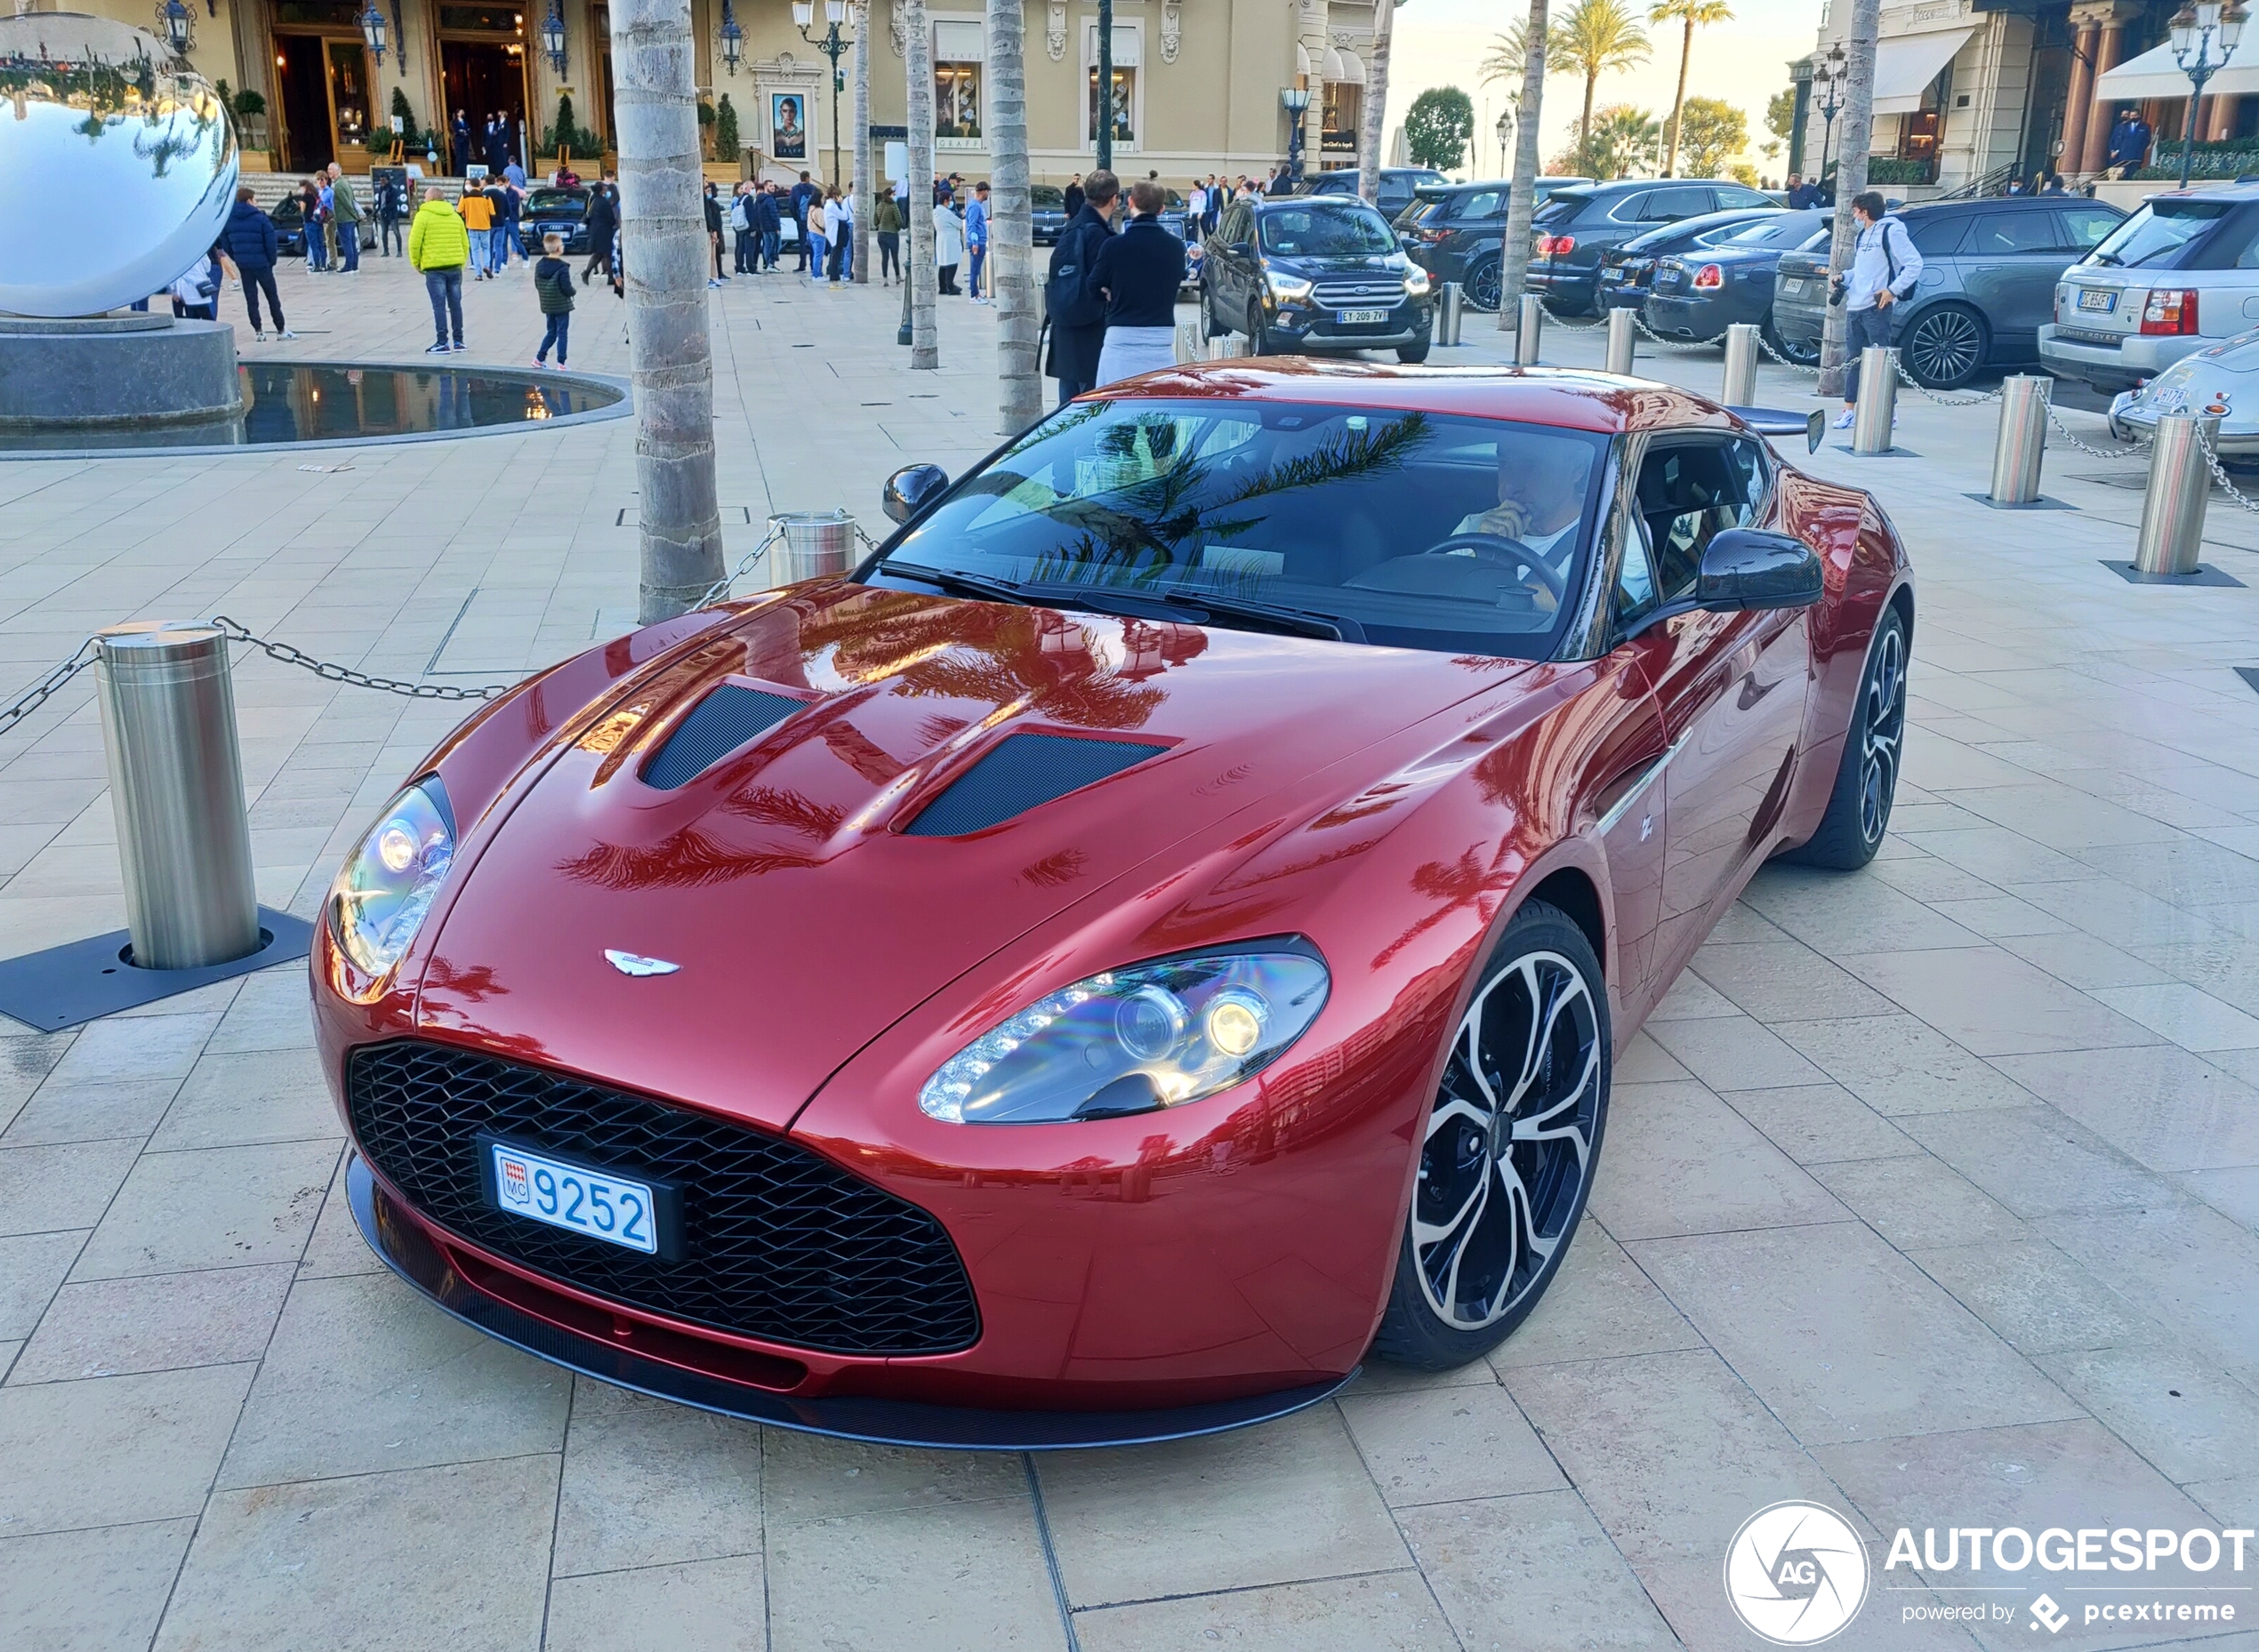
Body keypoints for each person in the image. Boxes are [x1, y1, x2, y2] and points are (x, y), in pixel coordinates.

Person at [1833, 189, 1921, 429]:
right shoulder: (1863, 235)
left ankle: (1888, 410)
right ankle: (1849, 410)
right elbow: (1863, 271)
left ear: (1865, 211)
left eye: (1856, 211)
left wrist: (1892, 290)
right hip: (1855, 305)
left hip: (1876, 307)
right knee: (1853, 361)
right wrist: (1844, 276)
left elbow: (1914, 263)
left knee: (1882, 361)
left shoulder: (1892, 231)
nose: (1854, 215)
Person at [1091, 178, 1186, 386]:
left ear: (1131, 202)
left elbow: (1093, 286)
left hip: (1121, 337)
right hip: (1160, 339)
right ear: (1161, 210)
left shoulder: (1113, 246)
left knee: (1114, 405)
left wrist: (1108, 293)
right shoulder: (1176, 247)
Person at [1044, 167, 1116, 404]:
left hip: (1065, 326)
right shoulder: (1098, 234)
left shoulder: (1073, 227)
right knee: (1091, 406)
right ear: (1114, 200)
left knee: (1067, 407)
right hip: (1091, 328)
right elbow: (1105, 281)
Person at [220, 186, 292, 341]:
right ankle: (281, 330)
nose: (257, 203)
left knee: (251, 298)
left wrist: (237, 257)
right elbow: (271, 242)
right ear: (249, 200)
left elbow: (225, 243)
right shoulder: (260, 219)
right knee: (272, 296)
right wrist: (271, 261)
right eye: (255, 200)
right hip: (262, 264)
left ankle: (258, 331)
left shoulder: (229, 219)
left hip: (244, 265)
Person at [409, 181, 470, 353]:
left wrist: (417, 263)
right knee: (456, 305)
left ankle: (442, 342)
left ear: (430, 198)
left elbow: (414, 242)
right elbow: (465, 242)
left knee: (439, 306)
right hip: (455, 267)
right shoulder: (455, 216)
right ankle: (459, 341)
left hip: (434, 268)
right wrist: (462, 261)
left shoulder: (423, 216)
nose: (424, 199)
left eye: (425, 197)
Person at [532, 231, 575, 368]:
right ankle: (561, 362)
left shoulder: (539, 265)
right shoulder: (562, 267)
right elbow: (566, 287)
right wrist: (573, 292)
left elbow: (537, 284)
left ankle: (539, 358)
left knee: (551, 331)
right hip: (561, 305)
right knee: (562, 333)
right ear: (558, 249)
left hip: (548, 305)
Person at [325, 163, 363, 273]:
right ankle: (354, 265)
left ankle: (349, 265)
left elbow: (346, 203)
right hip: (349, 219)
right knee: (351, 243)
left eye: (331, 169)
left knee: (347, 243)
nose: (329, 172)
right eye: (328, 169)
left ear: (337, 171)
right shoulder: (345, 183)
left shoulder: (339, 185)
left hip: (344, 219)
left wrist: (354, 215)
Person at [583, 174, 617, 285]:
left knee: (603, 254)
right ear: (601, 191)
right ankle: (587, 272)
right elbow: (611, 219)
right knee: (602, 254)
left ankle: (611, 277)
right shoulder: (603, 202)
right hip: (604, 231)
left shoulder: (594, 200)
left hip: (596, 230)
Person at [459, 178, 494, 278]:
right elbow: (492, 212)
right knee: (486, 248)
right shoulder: (486, 197)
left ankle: (478, 274)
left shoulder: (465, 197)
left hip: (472, 226)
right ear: (479, 185)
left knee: (475, 250)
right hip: (485, 226)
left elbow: (459, 209)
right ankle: (487, 266)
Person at [933, 193, 965, 293]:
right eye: (950, 200)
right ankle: (950, 286)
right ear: (945, 201)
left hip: (941, 238)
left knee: (943, 263)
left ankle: (943, 287)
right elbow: (959, 224)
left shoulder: (935, 212)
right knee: (952, 262)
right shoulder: (947, 213)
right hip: (950, 240)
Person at [790, 171, 821, 272]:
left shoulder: (795, 189)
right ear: (807, 178)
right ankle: (813, 265)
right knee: (813, 242)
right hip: (812, 219)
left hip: (801, 220)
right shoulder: (813, 188)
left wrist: (797, 217)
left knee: (802, 242)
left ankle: (802, 264)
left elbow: (791, 205)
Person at [2106, 108, 2151, 176]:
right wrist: (2115, 151)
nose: (2133, 117)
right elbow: (2120, 140)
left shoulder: (2145, 127)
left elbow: (2146, 140)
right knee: (2122, 174)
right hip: (2123, 156)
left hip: (2136, 156)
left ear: (2139, 116)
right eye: (2131, 116)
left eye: (2135, 115)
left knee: (2133, 174)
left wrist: (2141, 149)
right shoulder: (2125, 126)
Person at [965, 179, 991, 302]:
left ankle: (976, 294)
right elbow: (972, 226)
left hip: (980, 240)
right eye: (987, 192)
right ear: (983, 191)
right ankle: (974, 295)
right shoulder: (975, 206)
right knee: (975, 269)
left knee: (976, 268)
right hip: (977, 242)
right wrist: (975, 243)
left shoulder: (977, 205)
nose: (988, 195)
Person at [298, 177, 327, 273]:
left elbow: (303, 210)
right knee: (321, 245)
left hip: (309, 223)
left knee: (313, 245)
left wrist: (300, 205)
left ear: (304, 187)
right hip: (318, 222)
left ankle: (317, 266)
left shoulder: (305, 197)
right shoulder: (316, 195)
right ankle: (324, 265)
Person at [374, 169, 406, 258]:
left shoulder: (393, 190)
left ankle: (399, 251)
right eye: (380, 181)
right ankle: (386, 251)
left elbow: (393, 203)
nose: (382, 183)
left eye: (383, 180)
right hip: (383, 215)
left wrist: (384, 209)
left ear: (388, 180)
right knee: (384, 233)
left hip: (392, 214)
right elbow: (380, 202)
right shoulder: (380, 190)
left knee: (396, 232)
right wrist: (377, 210)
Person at [874, 185, 903, 284]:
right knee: (895, 256)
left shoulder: (878, 206)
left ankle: (885, 279)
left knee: (884, 257)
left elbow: (875, 221)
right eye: (893, 194)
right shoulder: (893, 205)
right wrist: (896, 227)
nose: (894, 196)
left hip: (881, 234)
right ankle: (897, 276)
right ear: (889, 195)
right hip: (892, 233)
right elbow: (899, 220)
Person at [753, 183, 783, 271]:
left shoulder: (759, 199)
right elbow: (773, 214)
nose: (773, 187)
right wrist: (777, 227)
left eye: (773, 185)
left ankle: (767, 264)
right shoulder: (769, 199)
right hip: (771, 226)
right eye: (770, 186)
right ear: (765, 187)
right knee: (775, 245)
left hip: (763, 226)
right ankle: (771, 264)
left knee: (767, 245)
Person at [704, 180, 728, 285]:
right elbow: (709, 216)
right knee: (710, 256)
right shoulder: (707, 203)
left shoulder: (712, 203)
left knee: (714, 256)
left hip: (715, 229)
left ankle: (715, 276)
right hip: (711, 230)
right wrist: (713, 229)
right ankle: (710, 277)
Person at [731, 183, 756, 273]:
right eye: (752, 188)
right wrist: (753, 228)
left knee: (741, 247)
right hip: (747, 226)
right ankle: (751, 267)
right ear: (747, 189)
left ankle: (740, 267)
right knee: (749, 247)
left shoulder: (740, 198)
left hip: (741, 226)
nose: (754, 190)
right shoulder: (748, 199)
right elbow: (750, 214)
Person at [451, 108, 471, 175]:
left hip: (465, 140)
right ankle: (458, 171)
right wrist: (462, 132)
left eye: (463, 112)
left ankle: (464, 171)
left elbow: (469, 129)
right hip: (459, 141)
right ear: (458, 114)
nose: (463, 113)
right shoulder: (455, 122)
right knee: (459, 156)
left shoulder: (466, 122)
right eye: (461, 112)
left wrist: (466, 132)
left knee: (465, 156)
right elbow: (456, 130)